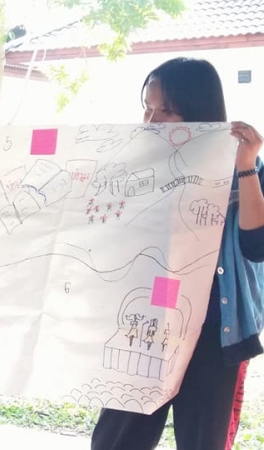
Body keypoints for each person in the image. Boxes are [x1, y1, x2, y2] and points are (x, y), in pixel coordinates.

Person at [90, 57, 264, 450]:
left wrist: (246, 166)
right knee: (116, 440)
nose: (151, 121)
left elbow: (257, 246)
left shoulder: (244, 166)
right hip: (145, 324)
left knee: (202, 441)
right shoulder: (134, 167)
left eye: (166, 111)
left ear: (199, 112)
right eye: (147, 108)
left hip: (216, 330)